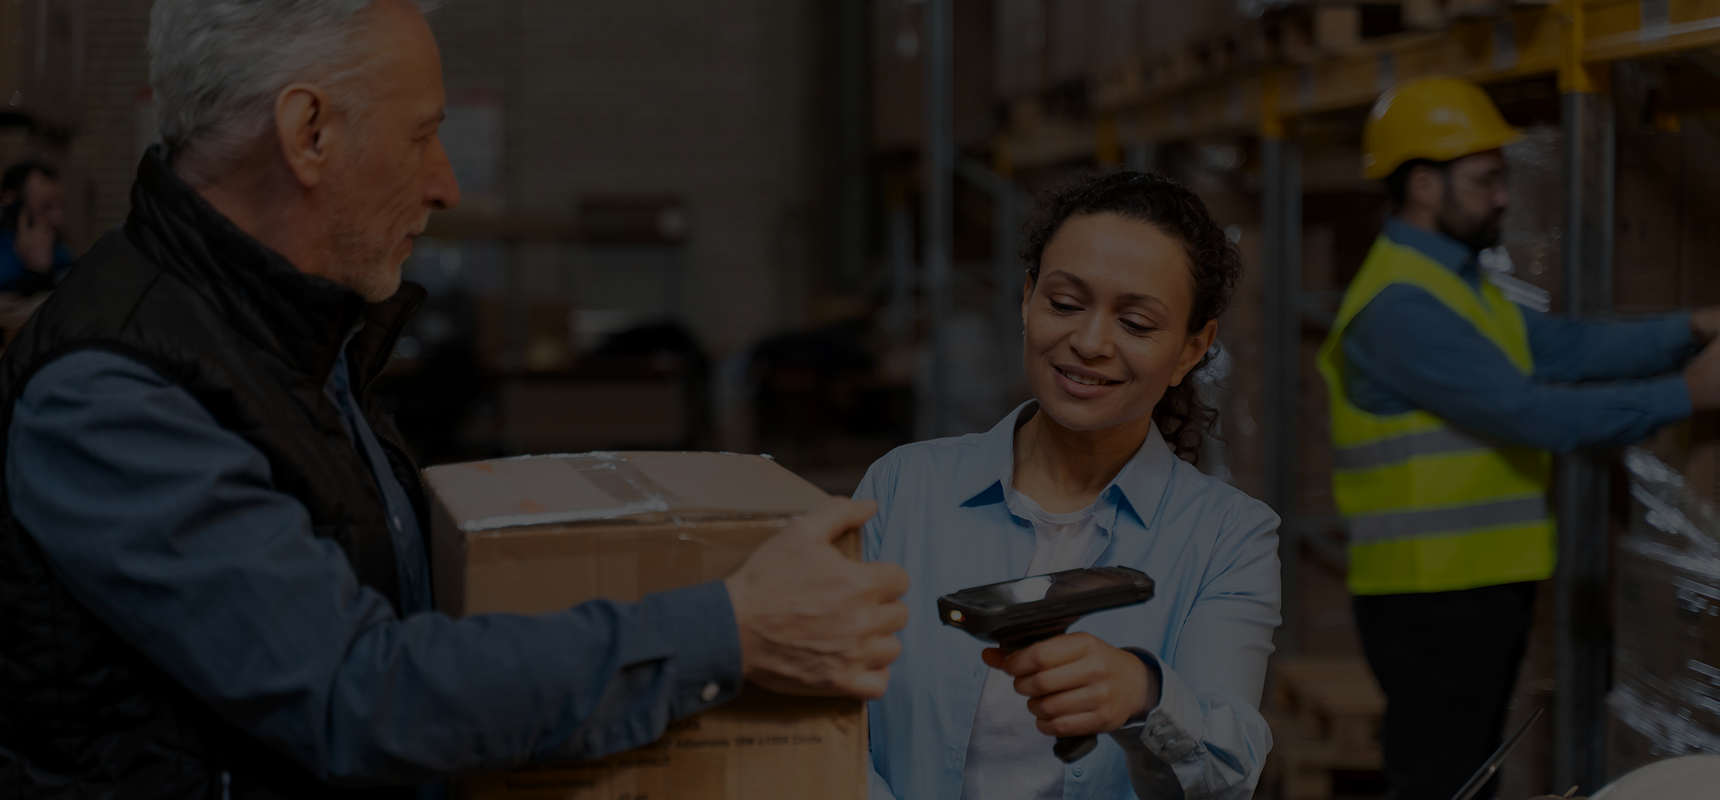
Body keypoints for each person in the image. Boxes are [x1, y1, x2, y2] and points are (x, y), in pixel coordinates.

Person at [0, 1, 909, 797]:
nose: (447, 182)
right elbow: (357, 693)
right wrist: (729, 629)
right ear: (308, 132)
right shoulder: (113, 391)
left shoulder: (298, 343)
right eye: (421, 133)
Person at [1321, 76, 1720, 800]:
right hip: (1431, 593)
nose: (1503, 196)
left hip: (1470, 585)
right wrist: (1690, 393)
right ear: (1421, 185)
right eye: (1484, 180)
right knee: (1442, 781)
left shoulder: (1456, 286)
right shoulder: (1402, 307)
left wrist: (1690, 327)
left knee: (1470, 773)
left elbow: (1563, 350)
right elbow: (1535, 414)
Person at [861, 171, 1281, 800]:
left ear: (1194, 349)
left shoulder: (1230, 536)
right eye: (1064, 303)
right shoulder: (901, 489)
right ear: (1027, 299)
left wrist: (1145, 696)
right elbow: (829, 720)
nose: (1088, 342)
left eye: (1136, 323)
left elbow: (1226, 776)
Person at [0, 158, 75, 293]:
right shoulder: (5, 263)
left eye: (60, 207)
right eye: (46, 207)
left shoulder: (61, 255)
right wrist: (36, 273)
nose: (58, 219)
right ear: (11, 201)